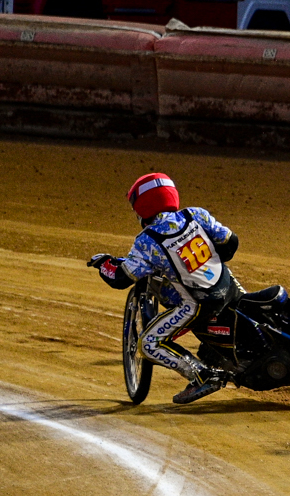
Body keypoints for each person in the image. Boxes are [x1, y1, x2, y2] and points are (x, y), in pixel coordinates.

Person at [88, 173, 240, 405]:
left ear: (144, 206)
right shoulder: (195, 214)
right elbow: (230, 243)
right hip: (228, 286)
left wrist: (103, 264)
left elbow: (121, 278)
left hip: (198, 304)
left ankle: (202, 375)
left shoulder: (147, 240)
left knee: (147, 344)